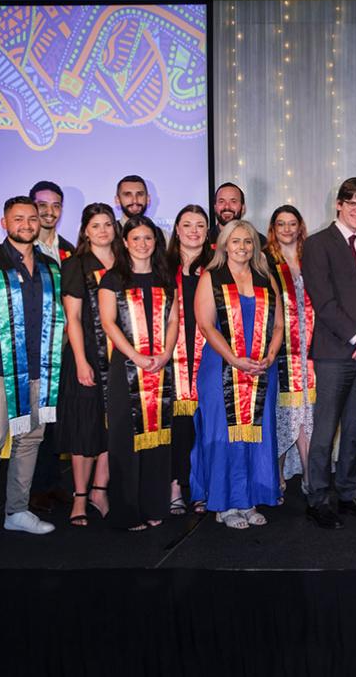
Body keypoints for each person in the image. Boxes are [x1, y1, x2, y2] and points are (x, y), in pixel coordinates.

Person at [0, 197, 60, 554]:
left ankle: (17, 511)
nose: (26, 223)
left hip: (41, 373)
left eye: (32, 218)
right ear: (4, 223)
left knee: (30, 441)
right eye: (18, 218)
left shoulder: (51, 267)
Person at [303, 178, 356, 529]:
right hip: (334, 353)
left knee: (354, 430)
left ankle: (349, 492)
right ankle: (318, 499)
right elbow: (323, 302)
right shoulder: (317, 244)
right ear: (338, 204)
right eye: (352, 203)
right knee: (325, 431)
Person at [191, 220, 284, 529]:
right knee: (222, 434)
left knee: (258, 432)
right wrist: (233, 359)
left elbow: (279, 324)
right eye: (236, 241)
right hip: (220, 369)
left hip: (260, 369)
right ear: (224, 245)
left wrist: (270, 355)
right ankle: (224, 503)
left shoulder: (265, 277)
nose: (242, 247)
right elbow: (205, 325)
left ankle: (249, 500)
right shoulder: (211, 277)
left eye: (247, 242)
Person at [98, 215, 178, 531]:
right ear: (125, 242)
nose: (142, 244)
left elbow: (173, 321)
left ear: (155, 242)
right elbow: (109, 323)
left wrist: (165, 354)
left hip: (160, 365)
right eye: (136, 238)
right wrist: (136, 357)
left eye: (148, 238)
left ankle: (154, 504)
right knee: (126, 438)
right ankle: (127, 511)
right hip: (126, 368)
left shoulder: (165, 278)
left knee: (159, 437)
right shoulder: (112, 279)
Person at [57, 204, 120, 527]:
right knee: (85, 428)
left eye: (108, 224)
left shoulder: (125, 263)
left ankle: (100, 489)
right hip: (88, 357)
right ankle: (79, 497)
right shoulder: (77, 266)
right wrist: (81, 361)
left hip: (121, 359)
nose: (103, 230)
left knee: (114, 427)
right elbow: (73, 320)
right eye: (96, 225)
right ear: (85, 230)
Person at [28, 180, 75, 512]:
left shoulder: (70, 250)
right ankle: (31, 489)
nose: (49, 211)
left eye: (55, 205)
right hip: (30, 351)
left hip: (65, 349)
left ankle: (53, 483)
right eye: (42, 204)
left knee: (58, 421)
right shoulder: (19, 249)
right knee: (32, 424)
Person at [265, 205, 316, 500]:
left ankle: (311, 477)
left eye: (292, 223)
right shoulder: (265, 262)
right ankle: (277, 478)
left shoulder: (310, 259)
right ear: (273, 228)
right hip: (280, 349)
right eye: (281, 223)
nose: (287, 229)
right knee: (284, 414)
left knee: (307, 414)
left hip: (311, 349)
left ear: (300, 226)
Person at [166, 204, 212, 513]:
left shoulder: (216, 266)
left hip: (209, 355)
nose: (193, 230)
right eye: (187, 224)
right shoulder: (161, 265)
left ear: (208, 232)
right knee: (177, 425)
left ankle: (201, 487)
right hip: (170, 358)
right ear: (177, 229)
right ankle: (173, 488)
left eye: (200, 225)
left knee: (205, 426)